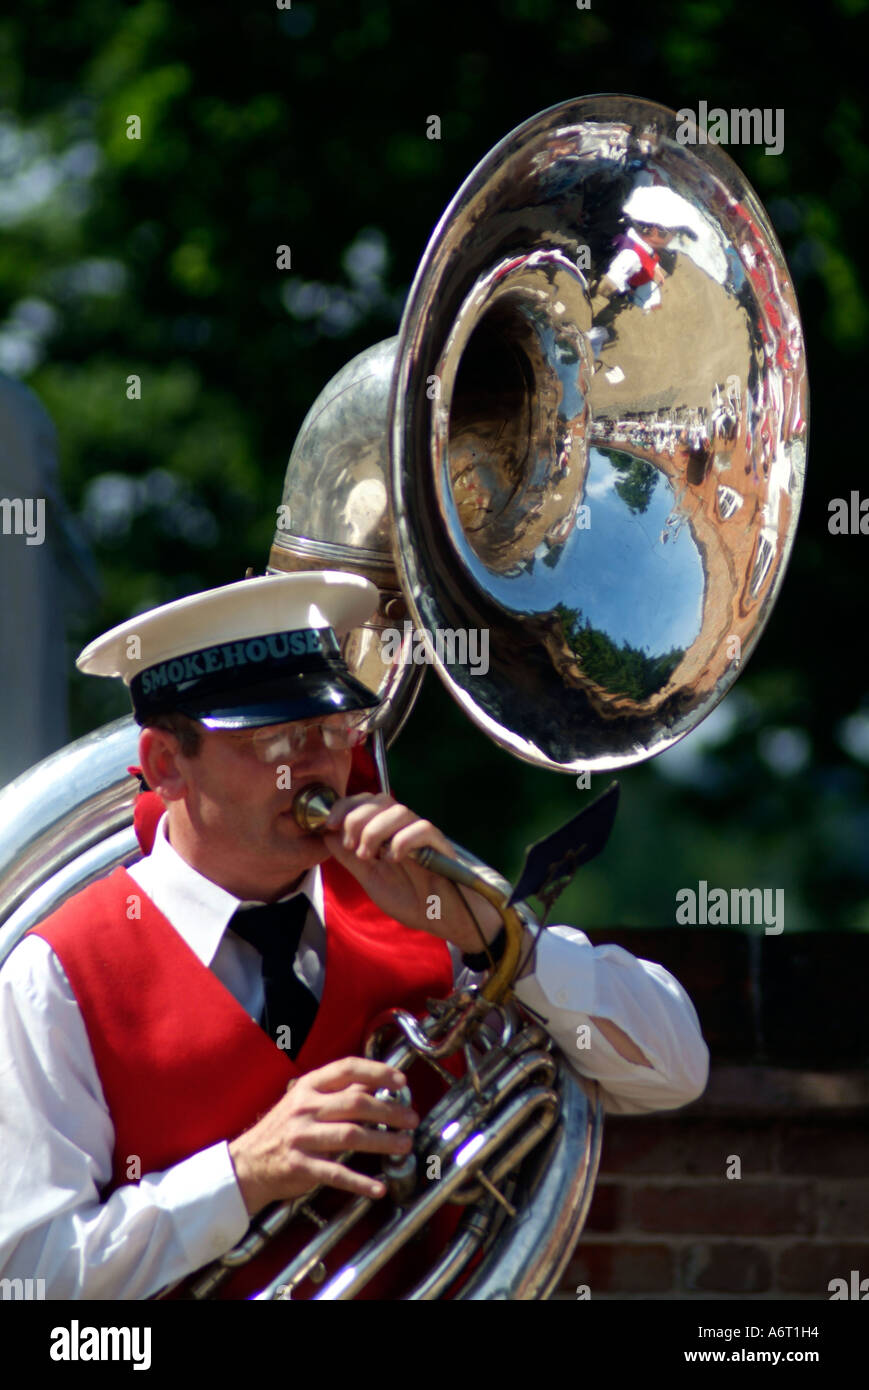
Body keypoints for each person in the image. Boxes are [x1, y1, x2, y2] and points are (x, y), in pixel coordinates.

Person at [0, 571, 709, 1299]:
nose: (314, 766)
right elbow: (31, 1276)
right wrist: (243, 1174)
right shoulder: (57, 973)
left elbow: (673, 1070)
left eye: (331, 729)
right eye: (272, 740)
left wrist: (498, 940)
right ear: (165, 764)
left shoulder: (413, 900)